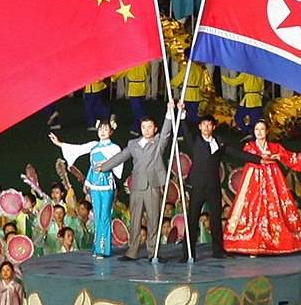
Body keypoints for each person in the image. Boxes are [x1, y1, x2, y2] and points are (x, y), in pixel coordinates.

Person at [178, 102, 266, 261]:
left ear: (213, 127)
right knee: (192, 219)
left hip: (213, 187)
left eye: (209, 125)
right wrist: (182, 112)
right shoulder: (194, 141)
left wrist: (258, 160)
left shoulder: (219, 142)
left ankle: (218, 251)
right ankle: (188, 254)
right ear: (199, 127)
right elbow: (185, 129)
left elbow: (237, 154)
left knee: (216, 220)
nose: (206, 128)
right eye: (203, 125)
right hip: (197, 187)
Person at [223, 120, 301, 255]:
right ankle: (251, 245)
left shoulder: (275, 147)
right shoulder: (249, 146)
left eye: (262, 129)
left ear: (267, 131)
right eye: (257, 129)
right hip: (254, 182)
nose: (259, 132)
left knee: (274, 209)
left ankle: (274, 244)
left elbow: (289, 157)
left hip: (272, 181)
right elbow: (246, 156)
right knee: (252, 210)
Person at [97, 101, 176, 261]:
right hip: (137, 187)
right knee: (135, 220)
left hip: (153, 186)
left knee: (154, 220)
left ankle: (153, 252)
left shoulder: (158, 142)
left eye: (149, 127)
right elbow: (121, 157)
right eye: (144, 127)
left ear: (155, 129)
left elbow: (167, 132)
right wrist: (104, 166)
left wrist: (169, 112)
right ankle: (132, 252)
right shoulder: (133, 144)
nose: (146, 130)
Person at [50, 121, 121, 258]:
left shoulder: (114, 148)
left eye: (106, 129)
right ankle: (97, 248)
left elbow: (117, 163)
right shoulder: (94, 145)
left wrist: (106, 165)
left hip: (106, 185)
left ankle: (104, 249)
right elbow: (78, 149)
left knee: (105, 216)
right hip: (94, 185)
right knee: (97, 216)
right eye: (101, 129)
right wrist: (60, 143)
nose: (103, 131)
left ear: (111, 132)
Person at [221, 71, 264, 136]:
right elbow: (262, 87)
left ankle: (247, 131)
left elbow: (235, 81)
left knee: (238, 117)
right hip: (257, 101)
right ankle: (251, 134)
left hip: (248, 101)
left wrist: (223, 78)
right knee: (254, 122)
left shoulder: (246, 73)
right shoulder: (260, 74)